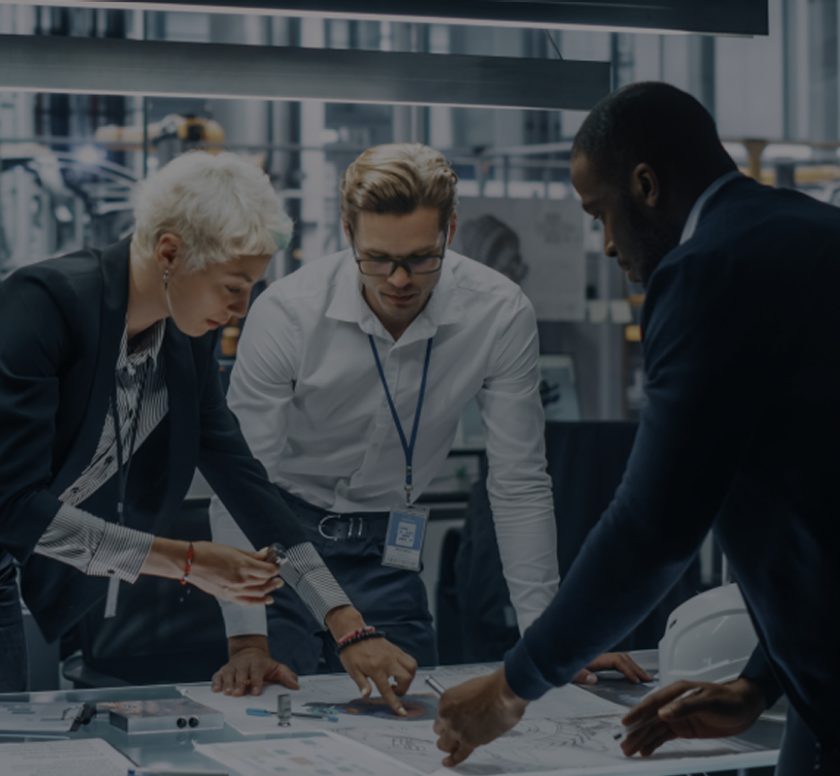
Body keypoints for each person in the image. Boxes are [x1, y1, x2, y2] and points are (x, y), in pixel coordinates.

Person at [432, 82, 840, 775]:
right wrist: (762, 680)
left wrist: (513, 686)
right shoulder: (811, 237)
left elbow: (653, 526)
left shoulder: (711, 270)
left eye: (601, 214)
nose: (607, 244)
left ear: (645, 185)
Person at [0, 151, 410, 705]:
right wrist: (190, 562)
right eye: (233, 286)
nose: (241, 309)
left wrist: (346, 621)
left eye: (251, 288)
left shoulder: (184, 338)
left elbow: (244, 479)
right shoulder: (45, 303)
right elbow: (16, 508)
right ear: (169, 252)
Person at [206, 143, 649, 701]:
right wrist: (246, 637)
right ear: (347, 232)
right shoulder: (288, 313)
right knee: (273, 721)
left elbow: (518, 483)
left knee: (412, 722)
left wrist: (549, 634)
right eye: (376, 258)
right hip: (277, 548)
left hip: (390, 549)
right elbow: (241, 486)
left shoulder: (498, 312)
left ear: (451, 230)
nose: (398, 279)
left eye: (420, 258)